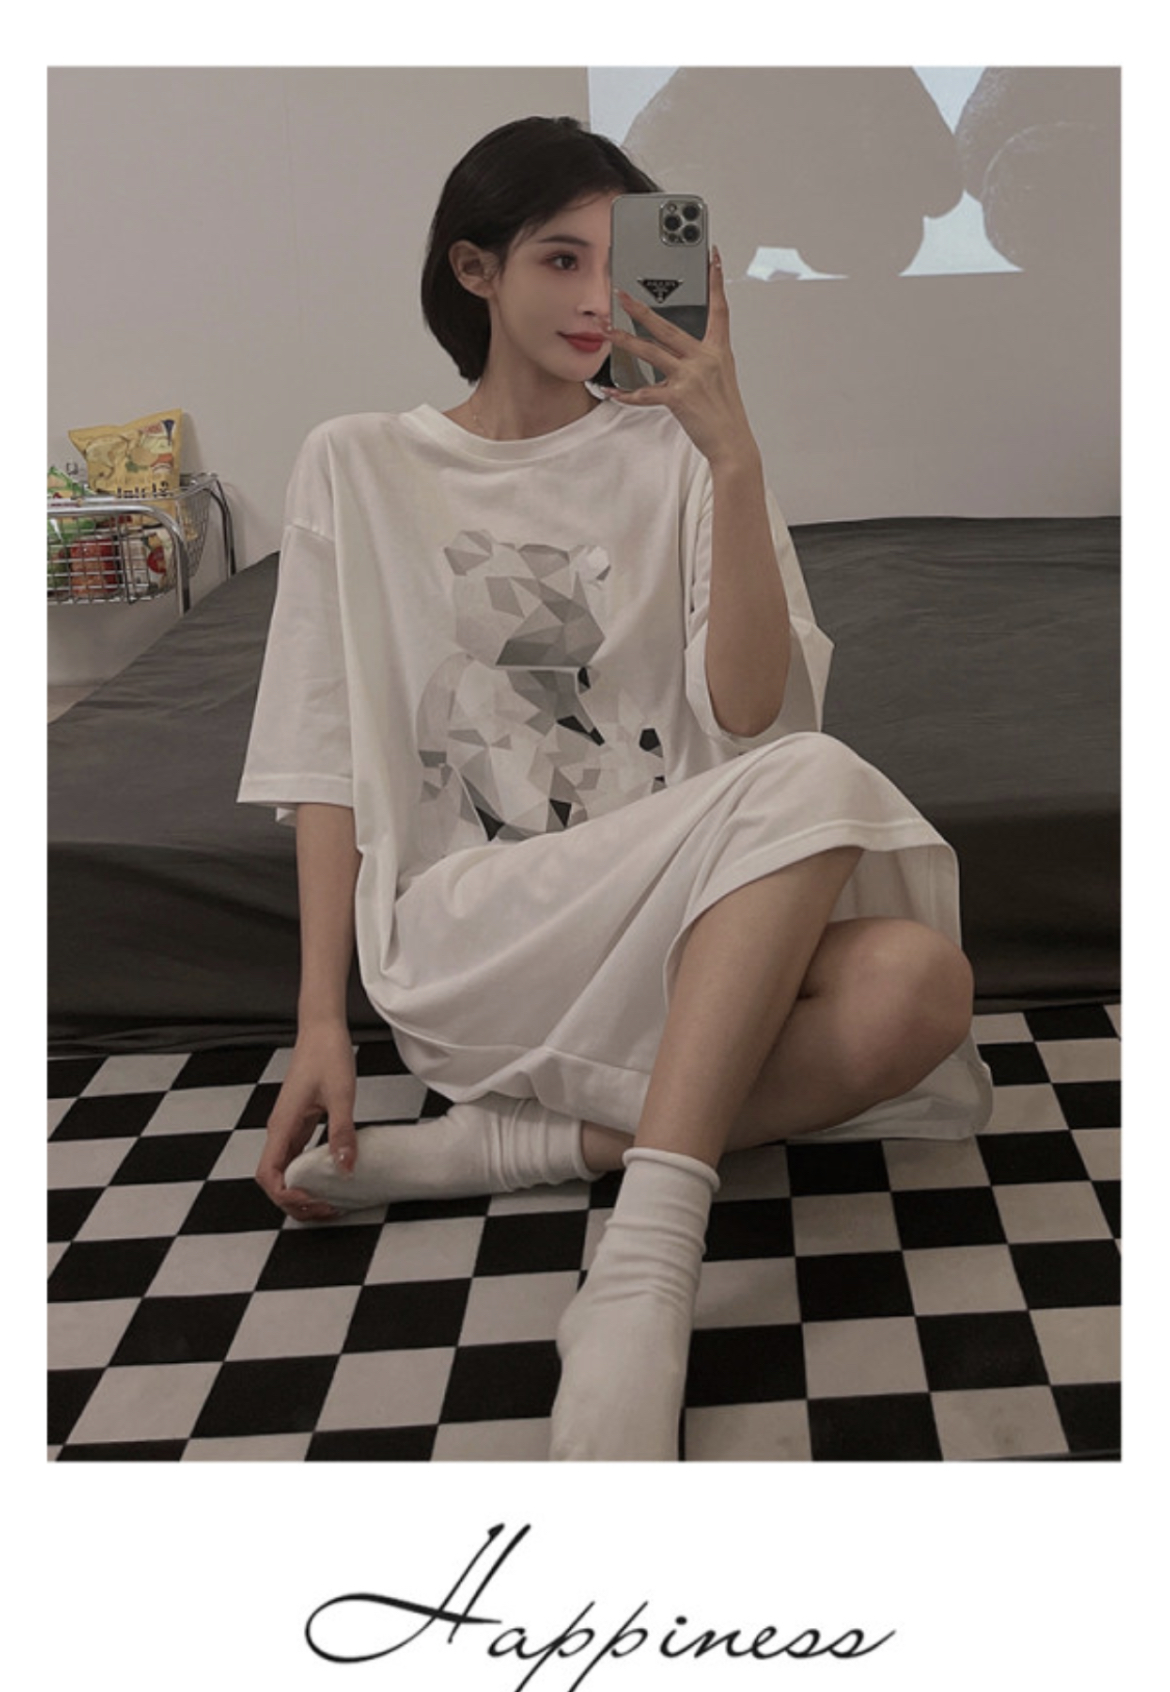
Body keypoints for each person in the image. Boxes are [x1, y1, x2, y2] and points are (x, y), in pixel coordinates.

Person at [239, 115, 993, 1462]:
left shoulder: (679, 455)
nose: (598, 297)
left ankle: (516, 1150)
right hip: (473, 937)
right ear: (474, 269)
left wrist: (733, 456)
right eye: (558, 258)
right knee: (819, 783)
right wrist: (320, 1023)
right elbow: (320, 757)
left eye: (619, 260)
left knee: (921, 991)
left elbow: (751, 716)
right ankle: (647, 1269)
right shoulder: (356, 461)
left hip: (668, 939)